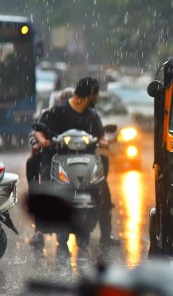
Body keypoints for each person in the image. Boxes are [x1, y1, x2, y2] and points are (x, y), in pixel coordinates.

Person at [30, 77, 118, 247]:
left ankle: (106, 234)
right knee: (46, 186)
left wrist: (106, 141)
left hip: (87, 161)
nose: (97, 98)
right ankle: (41, 229)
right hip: (59, 159)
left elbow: (101, 136)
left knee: (103, 191)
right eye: (96, 95)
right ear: (90, 95)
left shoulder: (92, 115)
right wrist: (43, 141)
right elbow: (38, 130)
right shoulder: (57, 111)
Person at [26, 87, 75, 190]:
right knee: (33, 164)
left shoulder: (81, 115)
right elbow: (35, 132)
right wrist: (38, 143)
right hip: (52, 153)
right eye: (65, 101)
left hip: (75, 153)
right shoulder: (48, 113)